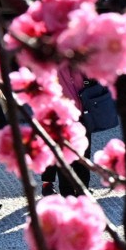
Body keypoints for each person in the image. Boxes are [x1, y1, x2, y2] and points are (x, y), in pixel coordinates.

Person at [40, 65, 92, 197]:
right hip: (66, 112)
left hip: (76, 111)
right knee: (72, 155)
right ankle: (76, 192)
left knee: (75, 155)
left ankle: (77, 192)